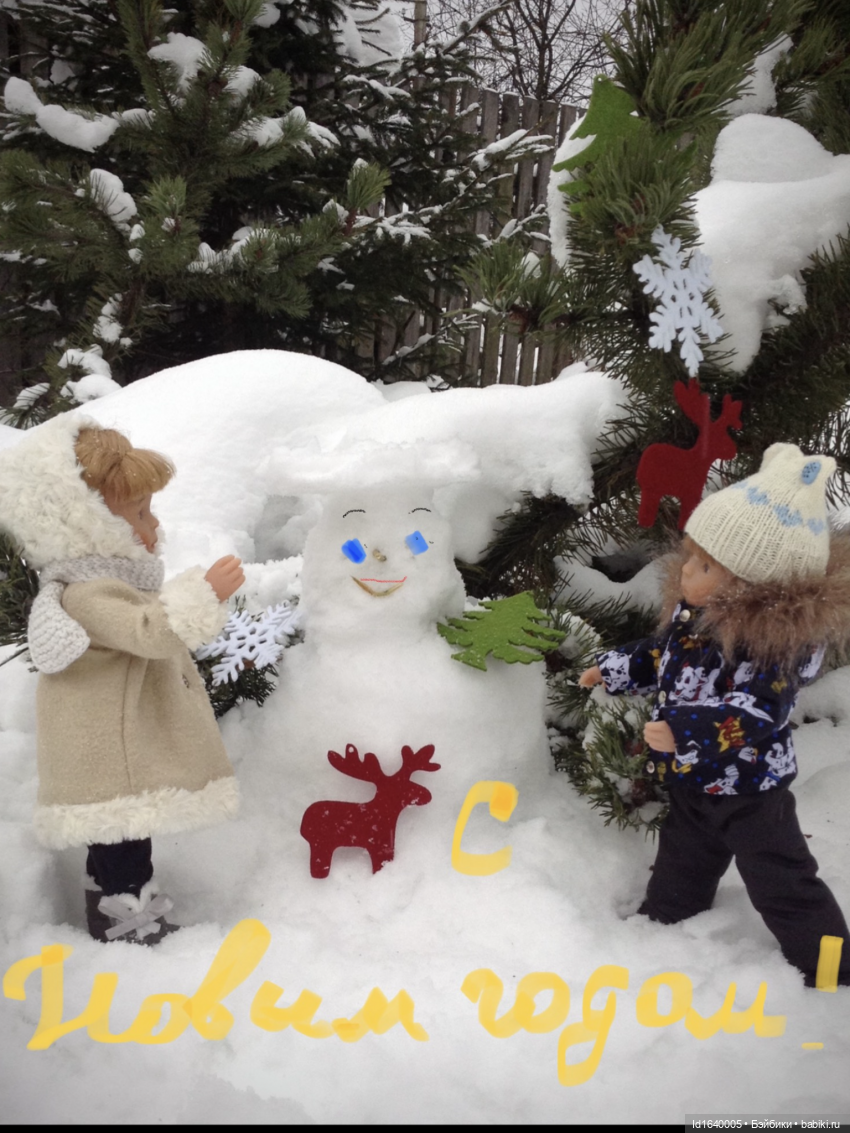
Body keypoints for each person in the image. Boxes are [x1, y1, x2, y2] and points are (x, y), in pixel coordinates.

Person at [579, 443, 850, 986]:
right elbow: (660, 656)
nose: (686, 573)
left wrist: (684, 729)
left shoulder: (773, 647)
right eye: (691, 557)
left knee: (780, 878)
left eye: (705, 567)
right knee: (683, 859)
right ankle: (667, 919)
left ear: (752, 587)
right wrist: (611, 669)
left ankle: (830, 969)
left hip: (751, 791)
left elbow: (757, 713)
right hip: (693, 781)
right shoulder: (694, 616)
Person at [0, 414, 244, 944]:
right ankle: (125, 918)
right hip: (111, 754)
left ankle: (111, 903)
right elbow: (150, 632)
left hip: (115, 749)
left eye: (149, 510)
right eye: (138, 514)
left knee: (118, 838)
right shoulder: (89, 595)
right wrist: (206, 593)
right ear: (85, 525)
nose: (152, 526)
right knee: (124, 840)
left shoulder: (106, 583)